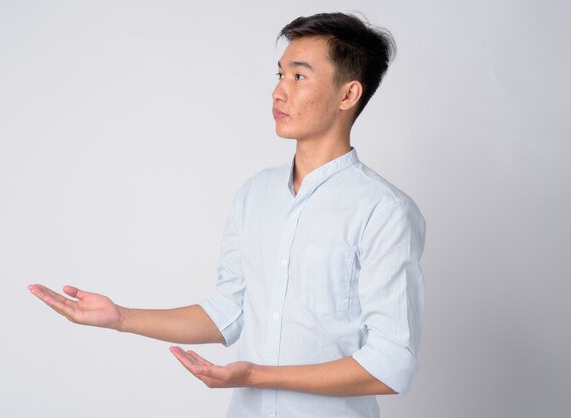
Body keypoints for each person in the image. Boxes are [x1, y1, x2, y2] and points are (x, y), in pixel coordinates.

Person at [29, 12, 425, 418]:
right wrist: (120, 317)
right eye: (279, 75)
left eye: (299, 77)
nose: (278, 92)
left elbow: (390, 366)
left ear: (348, 94)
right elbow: (227, 312)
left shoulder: (384, 211)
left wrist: (258, 376)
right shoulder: (255, 194)